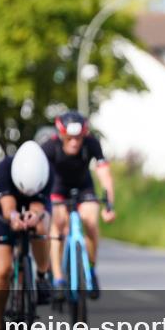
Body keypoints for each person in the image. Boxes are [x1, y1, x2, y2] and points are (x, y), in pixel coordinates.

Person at [0, 141, 53, 330]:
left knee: (41, 225)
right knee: (2, 270)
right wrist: (14, 218)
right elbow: (8, 208)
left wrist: (34, 217)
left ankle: (42, 274)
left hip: (34, 206)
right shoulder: (4, 168)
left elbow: (39, 207)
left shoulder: (47, 172)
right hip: (4, 209)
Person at [41, 111, 115, 300]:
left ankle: (90, 268)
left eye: (78, 138)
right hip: (58, 187)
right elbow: (41, 176)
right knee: (57, 225)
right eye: (70, 138)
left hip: (84, 187)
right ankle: (58, 278)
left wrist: (109, 206)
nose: (74, 142)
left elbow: (104, 173)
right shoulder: (50, 146)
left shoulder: (92, 143)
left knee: (90, 222)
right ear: (61, 135)